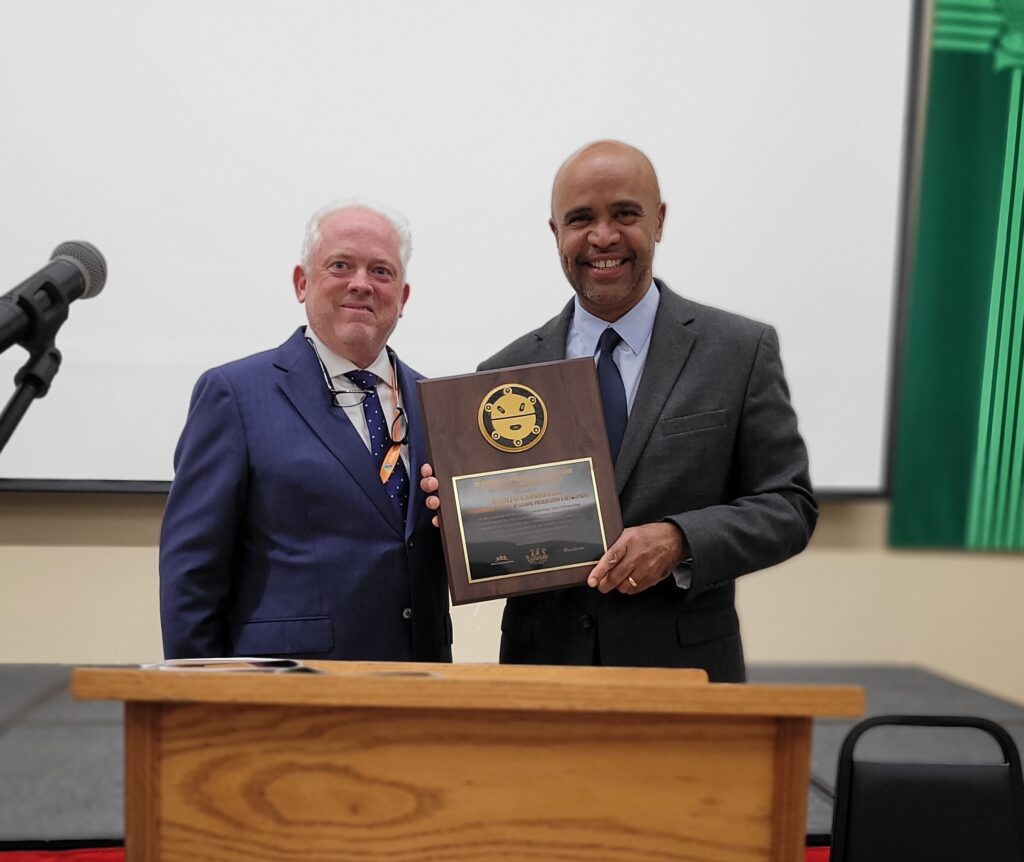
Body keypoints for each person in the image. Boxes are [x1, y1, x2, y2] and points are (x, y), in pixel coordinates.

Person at [423, 140, 815, 681]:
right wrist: (464, 515)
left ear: (658, 220)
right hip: (543, 676)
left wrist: (681, 540)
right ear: (555, 233)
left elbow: (788, 506)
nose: (602, 237)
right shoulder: (503, 373)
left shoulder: (739, 351)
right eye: (581, 219)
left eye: (624, 214)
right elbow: (501, 533)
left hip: (684, 675)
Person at [160, 203, 451, 662]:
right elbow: (192, 573)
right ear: (302, 282)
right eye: (340, 265)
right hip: (288, 689)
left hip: (420, 685)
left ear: (403, 296)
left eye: (381, 271)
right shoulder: (234, 396)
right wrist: (201, 698)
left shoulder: (440, 403)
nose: (361, 283)